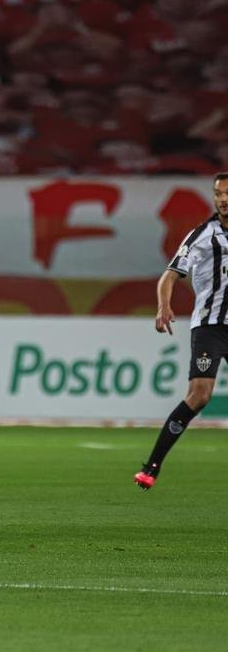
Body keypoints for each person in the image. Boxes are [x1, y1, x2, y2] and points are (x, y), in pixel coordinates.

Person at [135, 172, 228, 490]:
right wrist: (164, 306)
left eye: (227, 194)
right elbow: (169, 276)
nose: (223, 200)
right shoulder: (202, 235)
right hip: (211, 327)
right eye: (218, 194)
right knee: (200, 396)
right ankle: (152, 466)